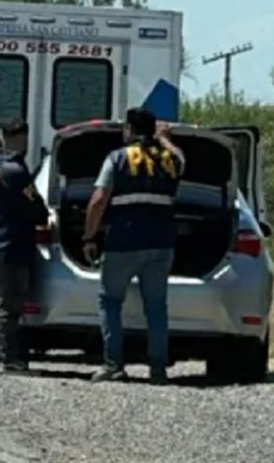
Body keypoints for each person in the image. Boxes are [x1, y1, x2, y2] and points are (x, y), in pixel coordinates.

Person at [82, 107, 184, 384]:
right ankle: (159, 370)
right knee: (156, 307)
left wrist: (89, 236)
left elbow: (99, 199)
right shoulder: (171, 160)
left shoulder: (116, 158)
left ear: (128, 129)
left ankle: (114, 365)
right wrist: (163, 139)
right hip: (161, 244)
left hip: (122, 243)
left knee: (110, 301)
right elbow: (180, 157)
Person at [0, 117, 48, 374]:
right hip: (10, 245)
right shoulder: (15, 170)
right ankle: (10, 358)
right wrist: (43, 215)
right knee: (8, 306)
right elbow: (34, 206)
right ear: (22, 136)